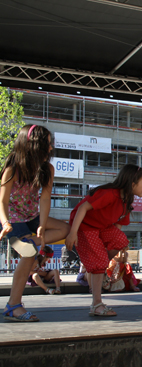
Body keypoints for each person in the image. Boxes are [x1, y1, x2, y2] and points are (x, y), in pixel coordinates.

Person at [1, 124, 70, 322]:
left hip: (32, 217)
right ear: (33, 146)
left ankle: (31, 242)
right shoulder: (12, 168)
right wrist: (5, 223)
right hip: (11, 220)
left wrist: (42, 224)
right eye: (46, 144)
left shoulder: (47, 169)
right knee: (29, 253)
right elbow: (2, 201)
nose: (50, 148)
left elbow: (45, 198)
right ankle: (13, 306)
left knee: (65, 228)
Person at [65, 164, 142, 317]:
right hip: (85, 225)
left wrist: (108, 250)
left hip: (100, 228)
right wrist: (72, 233)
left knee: (120, 240)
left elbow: (117, 231)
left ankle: (100, 266)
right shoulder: (110, 194)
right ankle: (96, 304)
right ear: (132, 184)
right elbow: (82, 208)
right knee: (98, 263)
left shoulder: (126, 203)